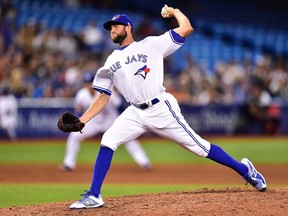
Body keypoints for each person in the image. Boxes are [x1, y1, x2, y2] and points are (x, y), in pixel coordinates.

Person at [68, 5, 267, 209]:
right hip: (135, 112)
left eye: (116, 26)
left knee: (200, 148)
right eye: (110, 27)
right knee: (108, 139)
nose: (112, 29)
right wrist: (82, 120)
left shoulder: (151, 44)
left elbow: (187, 28)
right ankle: (94, 195)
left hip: (160, 108)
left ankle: (245, 170)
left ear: (128, 28)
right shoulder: (111, 60)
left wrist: (174, 12)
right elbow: (103, 97)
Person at [60, 72, 152, 171]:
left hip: (110, 122)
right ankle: (69, 164)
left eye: (91, 82)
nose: (89, 85)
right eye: (87, 83)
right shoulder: (81, 94)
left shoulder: (106, 92)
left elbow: (119, 105)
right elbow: (78, 109)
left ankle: (144, 162)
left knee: (129, 138)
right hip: (93, 123)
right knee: (74, 136)